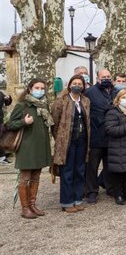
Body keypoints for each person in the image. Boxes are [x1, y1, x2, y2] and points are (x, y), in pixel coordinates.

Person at [6, 79, 53, 218]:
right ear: (30, 89)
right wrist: (23, 122)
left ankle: (33, 205)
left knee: (36, 177)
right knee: (25, 178)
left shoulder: (44, 106)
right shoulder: (22, 105)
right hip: (26, 147)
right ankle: (25, 208)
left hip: (40, 147)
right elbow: (9, 125)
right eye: (37, 87)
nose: (40, 90)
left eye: (42, 88)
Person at [51, 75, 90, 213]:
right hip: (67, 142)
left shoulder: (85, 101)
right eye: (75, 83)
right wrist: (60, 137)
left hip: (82, 141)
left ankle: (77, 200)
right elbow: (54, 123)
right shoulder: (61, 101)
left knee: (80, 171)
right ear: (69, 85)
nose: (77, 85)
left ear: (83, 86)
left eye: (80, 83)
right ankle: (67, 202)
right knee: (67, 172)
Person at [84, 69, 115, 203]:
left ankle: (110, 187)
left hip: (112, 135)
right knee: (92, 166)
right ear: (97, 78)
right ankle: (91, 191)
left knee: (110, 165)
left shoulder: (115, 91)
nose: (106, 79)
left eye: (108, 76)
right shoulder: (90, 93)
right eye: (103, 77)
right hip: (96, 135)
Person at [104, 89, 126, 204]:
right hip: (117, 147)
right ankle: (118, 194)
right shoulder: (113, 112)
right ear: (118, 99)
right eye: (123, 98)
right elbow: (110, 129)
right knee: (118, 172)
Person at [0, 89, 13, 164]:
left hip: (0, 120)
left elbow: (7, 103)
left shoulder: (0, 93)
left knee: (1, 137)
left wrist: (8, 98)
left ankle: (2, 158)